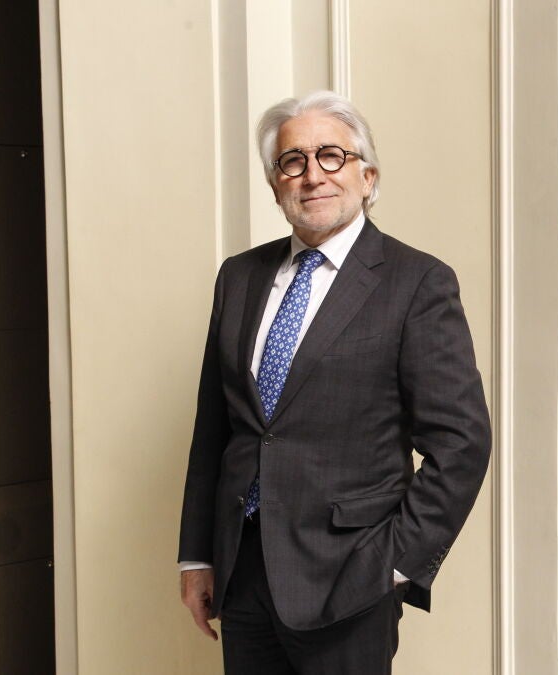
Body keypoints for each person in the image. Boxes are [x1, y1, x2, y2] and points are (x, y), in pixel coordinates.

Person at [177, 90, 491, 674]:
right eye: (292, 161)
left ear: (367, 176)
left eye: (331, 156)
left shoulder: (416, 282)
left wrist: (395, 564)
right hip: (242, 573)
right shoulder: (239, 277)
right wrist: (197, 556)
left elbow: (462, 443)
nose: (312, 175)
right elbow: (213, 429)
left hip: (350, 579)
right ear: (275, 184)